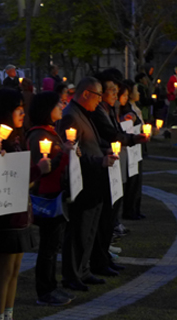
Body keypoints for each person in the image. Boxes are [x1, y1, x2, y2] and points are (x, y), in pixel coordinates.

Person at [0, 88, 50, 320]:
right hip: (4, 214)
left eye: (24, 109)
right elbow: (8, 177)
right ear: (5, 111)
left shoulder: (18, 139)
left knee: (14, 270)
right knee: (3, 270)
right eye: (18, 109)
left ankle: (8, 319)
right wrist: (37, 170)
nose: (23, 113)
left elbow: (24, 180)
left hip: (21, 212)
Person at [55, 77, 118, 292]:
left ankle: (83, 269)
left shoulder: (84, 114)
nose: (100, 101)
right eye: (98, 95)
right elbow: (72, 155)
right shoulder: (71, 116)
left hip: (95, 180)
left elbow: (90, 144)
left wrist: (104, 151)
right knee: (79, 229)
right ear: (86, 94)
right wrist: (99, 160)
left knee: (90, 228)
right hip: (82, 181)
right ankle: (71, 274)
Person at [89, 72, 147, 277]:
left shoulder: (107, 109)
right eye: (111, 90)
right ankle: (99, 260)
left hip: (111, 164)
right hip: (102, 166)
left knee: (109, 215)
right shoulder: (97, 111)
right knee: (104, 217)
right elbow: (110, 134)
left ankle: (104, 258)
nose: (115, 94)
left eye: (116, 90)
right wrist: (133, 139)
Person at [26, 91, 77, 306]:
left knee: (52, 245)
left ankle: (51, 286)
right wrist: (64, 153)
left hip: (55, 193)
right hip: (47, 196)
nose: (62, 106)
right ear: (47, 109)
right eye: (58, 104)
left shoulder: (50, 132)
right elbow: (43, 170)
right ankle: (44, 291)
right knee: (48, 247)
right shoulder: (39, 135)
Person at [120, 80, 145, 220]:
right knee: (131, 180)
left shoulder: (133, 107)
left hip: (136, 146)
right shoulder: (125, 110)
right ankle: (130, 210)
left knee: (137, 179)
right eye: (136, 90)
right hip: (129, 147)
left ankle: (136, 208)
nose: (139, 93)